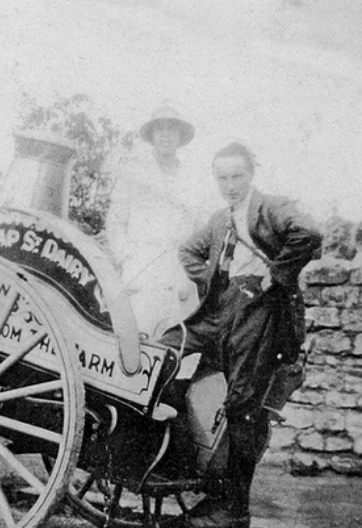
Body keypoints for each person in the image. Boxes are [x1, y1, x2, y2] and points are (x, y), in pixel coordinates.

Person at [160, 142, 322, 528]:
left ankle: (234, 509)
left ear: (251, 175)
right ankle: (172, 464)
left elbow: (309, 233)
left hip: (261, 313)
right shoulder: (220, 219)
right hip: (221, 309)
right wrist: (215, 282)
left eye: (237, 176)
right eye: (223, 178)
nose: (230, 185)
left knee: (242, 404)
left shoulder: (271, 207)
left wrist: (272, 276)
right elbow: (187, 251)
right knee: (164, 350)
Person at [104, 105, 202, 339]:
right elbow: (116, 221)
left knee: (175, 336)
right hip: (142, 264)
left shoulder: (191, 178)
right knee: (137, 334)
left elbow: (199, 224)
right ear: (152, 136)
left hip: (177, 267)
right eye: (160, 129)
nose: (166, 135)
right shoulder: (134, 172)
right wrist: (126, 255)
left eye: (172, 130)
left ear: (180, 137)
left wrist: (192, 263)